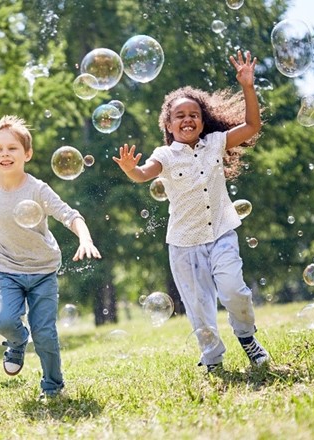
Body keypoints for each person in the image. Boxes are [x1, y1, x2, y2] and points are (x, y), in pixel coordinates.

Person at [112, 50, 269, 373]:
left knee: (234, 290)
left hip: (222, 232)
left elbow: (252, 126)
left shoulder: (216, 142)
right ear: (168, 124)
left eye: (194, 114)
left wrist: (247, 86)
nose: (187, 119)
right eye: (180, 115)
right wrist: (131, 169)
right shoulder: (165, 155)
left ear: (203, 119)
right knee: (199, 310)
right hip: (184, 244)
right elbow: (144, 173)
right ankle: (212, 359)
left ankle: (247, 337)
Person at [0, 115, 101, 400]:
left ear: (26, 153)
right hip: (7, 270)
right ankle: (17, 342)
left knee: (45, 334)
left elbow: (70, 215)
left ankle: (53, 387)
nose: (5, 154)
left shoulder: (37, 189)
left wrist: (85, 238)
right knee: (3, 320)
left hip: (42, 270)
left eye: (12, 148)